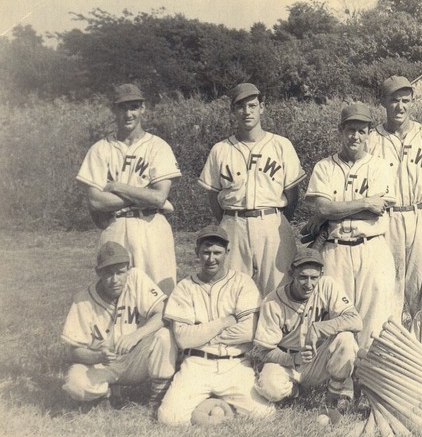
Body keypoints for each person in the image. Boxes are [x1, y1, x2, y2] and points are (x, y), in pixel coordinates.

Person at [156, 225, 275, 426]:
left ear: (227, 252)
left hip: (235, 363)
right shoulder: (185, 287)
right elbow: (184, 339)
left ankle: (214, 404)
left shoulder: (242, 283)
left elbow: (249, 331)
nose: (211, 259)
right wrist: (226, 321)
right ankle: (213, 403)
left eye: (217, 252)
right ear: (197, 253)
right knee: (169, 419)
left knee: (263, 416)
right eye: (206, 252)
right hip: (197, 364)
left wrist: (202, 333)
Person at [305, 102, 397, 348]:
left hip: (372, 247)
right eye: (350, 130)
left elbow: (378, 209)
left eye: (361, 130)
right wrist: (365, 202)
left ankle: (366, 377)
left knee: (374, 317)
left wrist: (338, 209)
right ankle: (339, 376)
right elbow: (322, 208)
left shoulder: (380, 166)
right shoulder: (324, 167)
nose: (355, 136)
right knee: (337, 314)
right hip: (336, 250)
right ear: (340, 130)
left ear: (368, 134)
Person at [199, 83, 304, 296]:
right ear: (233, 111)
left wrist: (276, 218)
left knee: (279, 288)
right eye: (241, 106)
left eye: (252, 105)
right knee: (231, 290)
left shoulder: (281, 145)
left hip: (271, 223)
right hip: (233, 223)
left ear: (262, 107)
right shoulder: (220, 149)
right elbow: (212, 195)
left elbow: (293, 194)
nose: (247, 111)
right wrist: (229, 219)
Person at [76, 83, 181, 295]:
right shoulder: (100, 149)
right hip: (116, 225)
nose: (128, 114)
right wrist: (144, 193)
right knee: (115, 292)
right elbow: (95, 201)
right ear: (114, 110)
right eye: (123, 108)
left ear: (143, 108)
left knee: (159, 292)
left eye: (134, 107)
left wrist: (116, 187)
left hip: (151, 225)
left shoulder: (158, 146)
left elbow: (159, 198)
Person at [366, 75, 422, 322]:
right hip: (386, 216)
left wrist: (419, 202)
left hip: (419, 212)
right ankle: (390, 344)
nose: (400, 106)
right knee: (387, 280)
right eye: (393, 100)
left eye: (405, 100)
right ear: (383, 102)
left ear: (412, 102)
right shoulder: (371, 139)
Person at [61, 241, 176, 405]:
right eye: (108, 273)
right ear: (98, 272)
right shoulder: (82, 301)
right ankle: (105, 393)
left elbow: (163, 313)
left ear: (128, 270)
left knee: (165, 334)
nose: (115, 279)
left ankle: (157, 395)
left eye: (120, 272)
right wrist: (97, 356)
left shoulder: (136, 277)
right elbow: (72, 352)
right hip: (102, 366)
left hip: (135, 359)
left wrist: (136, 335)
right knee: (75, 385)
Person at [252, 248, 362, 415]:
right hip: (287, 361)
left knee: (346, 338)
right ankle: (295, 392)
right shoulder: (272, 301)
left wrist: (322, 327)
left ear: (321, 274)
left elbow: (355, 320)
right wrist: (293, 359)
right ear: (291, 273)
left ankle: (334, 394)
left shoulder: (327, 285)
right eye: (303, 277)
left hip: (318, 358)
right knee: (269, 388)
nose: (309, 284)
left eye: (314, 277)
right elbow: (263, 351)